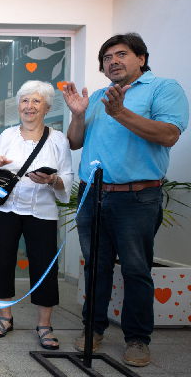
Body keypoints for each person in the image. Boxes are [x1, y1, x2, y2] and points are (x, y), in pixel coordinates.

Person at [63, 33, 188, 367]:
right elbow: (75, 143)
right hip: (93, 196)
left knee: (135, 269)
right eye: (107, 57)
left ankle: (137, 339)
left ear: (141, 59)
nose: (113, 61)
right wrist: (77, 114)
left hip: (137, 197)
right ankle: (94, 328)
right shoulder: (101, 96)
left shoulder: (163, 88)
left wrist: (120, 113)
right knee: (96, 267)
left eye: (121, 54)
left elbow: (169, 134)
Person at [0, 80, 73, 349]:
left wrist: (51, 180)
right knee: (3, 261)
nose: (28, 106)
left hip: (42, 211)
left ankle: (44, 325)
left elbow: (67, 176)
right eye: (24, 101)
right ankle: (4, 317)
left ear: (46, 107)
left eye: (35, 101)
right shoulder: (7, 135)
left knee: (45, 265)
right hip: (4, 209)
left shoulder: (58, 140)